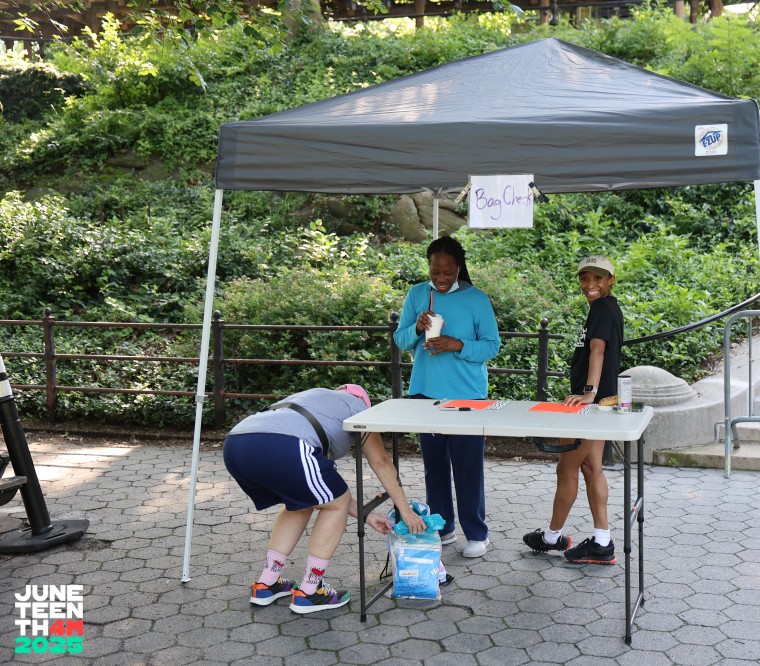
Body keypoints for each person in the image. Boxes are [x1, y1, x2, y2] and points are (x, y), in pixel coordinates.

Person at [223, 384, 426, 614]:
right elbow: (380, 462)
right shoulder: (359, 408)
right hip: (286, 444)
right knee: (333, 503)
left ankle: (266, 584)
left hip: (237, 444)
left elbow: (329, 496)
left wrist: (366, 515)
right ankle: (310, 591)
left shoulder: (316, 399)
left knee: (301, 502)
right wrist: (406, 511)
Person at [393, 236, 501, 558]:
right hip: (425, 394)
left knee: (468, 467)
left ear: (459, 268)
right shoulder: (417, 294)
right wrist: (416, 327)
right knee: (435, 466)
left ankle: (477, 534)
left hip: (468, 395)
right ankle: (442, 527)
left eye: (448, 272)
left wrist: (458, 345)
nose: (441, 278)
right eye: (435, 271)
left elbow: (492, 346)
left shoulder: (477, 299)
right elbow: (400, 340)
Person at [523, 256, 624, 565]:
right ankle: (602, 543)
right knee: (592, 468)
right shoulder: (606, 307)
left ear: (610, 280)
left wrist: (588, 392)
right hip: (604, 403)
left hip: (592, 405)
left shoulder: (603, 309)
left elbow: (598, 350)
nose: (590, 284)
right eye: (584, 278)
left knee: (566, 468)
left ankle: (552, 537)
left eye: (597, 278)